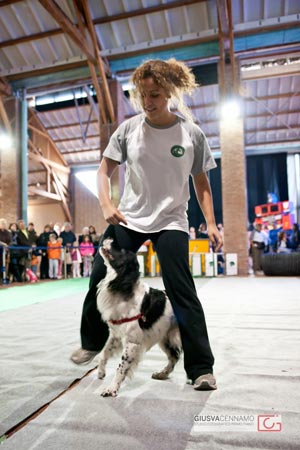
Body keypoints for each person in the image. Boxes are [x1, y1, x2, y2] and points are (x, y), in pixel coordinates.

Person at [71, 58, 222, 391]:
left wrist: (211, 223)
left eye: (155, 94)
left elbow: (202, 183)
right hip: (131, 217)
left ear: (169, 93)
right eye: (142, 95)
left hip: (171, 221)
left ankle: (201, 368)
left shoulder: (191, 134)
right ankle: (93, 342)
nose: (148, 102)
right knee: (99, 275)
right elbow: (103, 171)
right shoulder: (128, 129)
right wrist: (107, 203)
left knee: (182, 289)